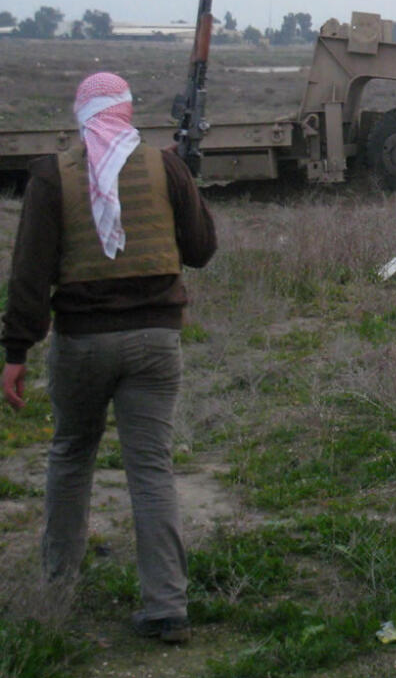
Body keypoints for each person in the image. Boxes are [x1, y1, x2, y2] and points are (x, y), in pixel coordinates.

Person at [1, 72, 217, 644]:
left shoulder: (53, 175)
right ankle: (167, 605)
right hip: (155, 341)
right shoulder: (163, 165)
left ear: (81, 114)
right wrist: (187, 178)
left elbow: (29, 272)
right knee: (152, 470)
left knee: (71, 456)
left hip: (81, 343)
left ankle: (57, 590)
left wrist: (16, 349)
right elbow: (201, 250)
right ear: (126, 111)